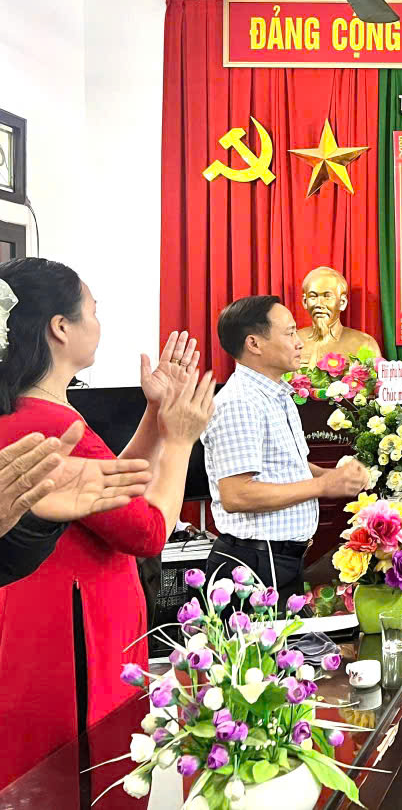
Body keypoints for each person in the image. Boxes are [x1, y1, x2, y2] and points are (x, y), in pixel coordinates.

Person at [0, 258, 215, 790]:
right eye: (93, 311)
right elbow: (147, 531)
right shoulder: (50, 422)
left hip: (40, 624)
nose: (98, 322)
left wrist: (156, 416)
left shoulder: (32, 411)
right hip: (75, 629)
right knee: (87, 776)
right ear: (60, 327)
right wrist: (181, 439)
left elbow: (108, 490)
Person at [202, 296, 368, 601]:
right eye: (290, 333)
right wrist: (323, 486)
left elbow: (289, 466)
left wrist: (334, 476)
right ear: (254, 343)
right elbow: (237, 494)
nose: (299, 342)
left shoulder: (277, 395)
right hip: (251, 565)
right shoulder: (240, 402)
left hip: (280, 560)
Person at [0, 424, 152, 587]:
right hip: (82, 588)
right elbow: (147, 533)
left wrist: (33, 522)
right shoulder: (53, 422)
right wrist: (171, 442)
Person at [297, 266, 382, 368]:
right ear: (305, 302)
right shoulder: (292, 341)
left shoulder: (364, 344)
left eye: (327, 296)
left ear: (342, 302)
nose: (319, 304)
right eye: (313, 296)